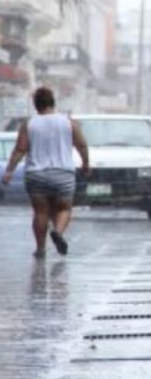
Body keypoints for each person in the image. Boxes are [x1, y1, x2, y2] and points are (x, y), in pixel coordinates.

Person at [1, 87, 89, 258]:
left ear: (36, 105)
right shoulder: (68, 122)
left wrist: (9, 171)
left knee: (41, 212)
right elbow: (82, 145)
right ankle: (58, 232)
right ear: (53, 102)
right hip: (63, 174)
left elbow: (20, 150)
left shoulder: (30, 124)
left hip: (37, 175)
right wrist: (86, 163)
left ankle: (40, 249)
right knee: (64, 209)